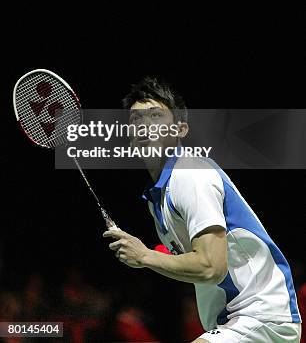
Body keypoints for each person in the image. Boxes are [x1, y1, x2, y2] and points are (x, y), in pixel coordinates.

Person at [104, 77, 301, 342]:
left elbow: (210, 266)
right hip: (232, 321)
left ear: (180, 129)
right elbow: (192, 258)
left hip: (260, 316)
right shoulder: (159, 198)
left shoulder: (190, 173)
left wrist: (145, 257)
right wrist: (149, 253)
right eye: (136, 120)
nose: (144, 126)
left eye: (155, 115)